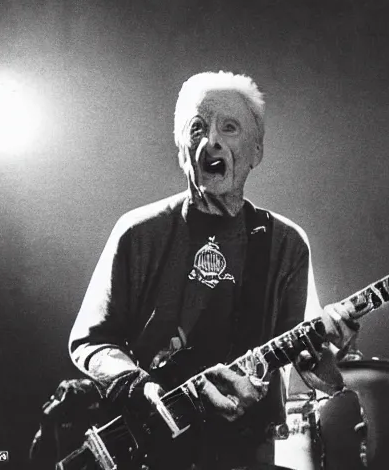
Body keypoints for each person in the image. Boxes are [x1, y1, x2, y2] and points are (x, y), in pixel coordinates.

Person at [68, 71, 359, 470]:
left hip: (245, 453)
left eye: (230, 127)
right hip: (148, 450)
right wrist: (143, 389)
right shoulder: (138, 232)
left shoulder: (286, 243)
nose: (213, 141)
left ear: (256, 152)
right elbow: (91, 343)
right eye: (198, 128)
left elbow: (313, 372)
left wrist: (332, 350)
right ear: (181, 149)